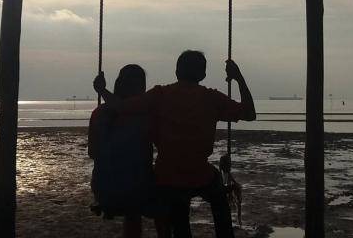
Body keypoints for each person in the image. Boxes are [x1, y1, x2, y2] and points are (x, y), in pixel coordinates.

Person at [94, 50, 256, 238]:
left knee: (178, 214)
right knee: (219, 197)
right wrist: (238, 78)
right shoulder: (211, 98)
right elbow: (249, 113)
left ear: (177, 72)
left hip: (167, 177)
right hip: (200, 173)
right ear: (203, 74)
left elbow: (121, 106)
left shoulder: (159, 95)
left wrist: (102, 90)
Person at [88, 64, 167, 238]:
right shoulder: (146, 115)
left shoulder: (99, 113)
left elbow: (92, 152)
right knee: (163, 200)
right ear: (142, 88)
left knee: (133, 201)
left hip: (104, 190)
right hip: (138, 190)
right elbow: (163, 147)